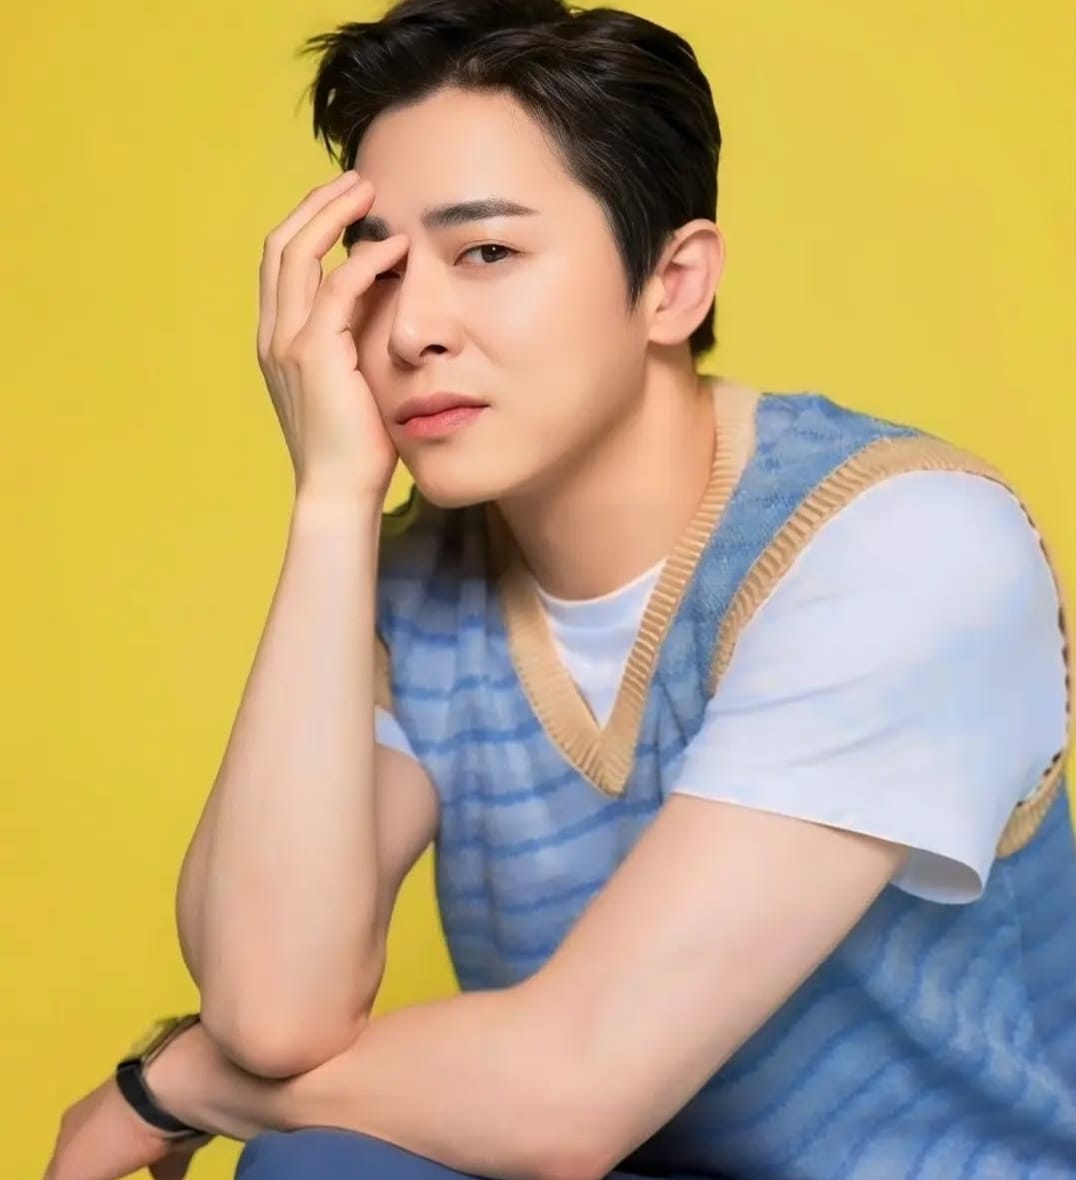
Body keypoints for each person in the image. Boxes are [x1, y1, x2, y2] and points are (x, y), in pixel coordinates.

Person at [44, 1, 1074, 1178]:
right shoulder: (419, 580)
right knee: (321, 1166)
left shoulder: (895, 539)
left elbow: (570, 1091)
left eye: (484, 252)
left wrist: (176, 1080)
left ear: (672, 284)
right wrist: (330, 501)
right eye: (374, 263)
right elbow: (271, 1009)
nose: (409, 329)